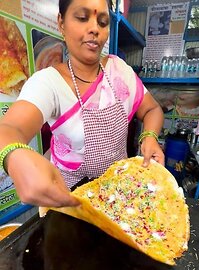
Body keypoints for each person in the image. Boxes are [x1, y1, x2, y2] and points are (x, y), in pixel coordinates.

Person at [0, 0, 164, 207]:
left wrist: (149, 137)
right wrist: (14, 156)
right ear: (61, 23)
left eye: (103, 22)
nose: (94, 28)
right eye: (82, 18)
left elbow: (152, 109)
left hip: (119, 192)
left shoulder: (119, 71)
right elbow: (9, 128)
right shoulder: (49, 83)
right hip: (70, 199)